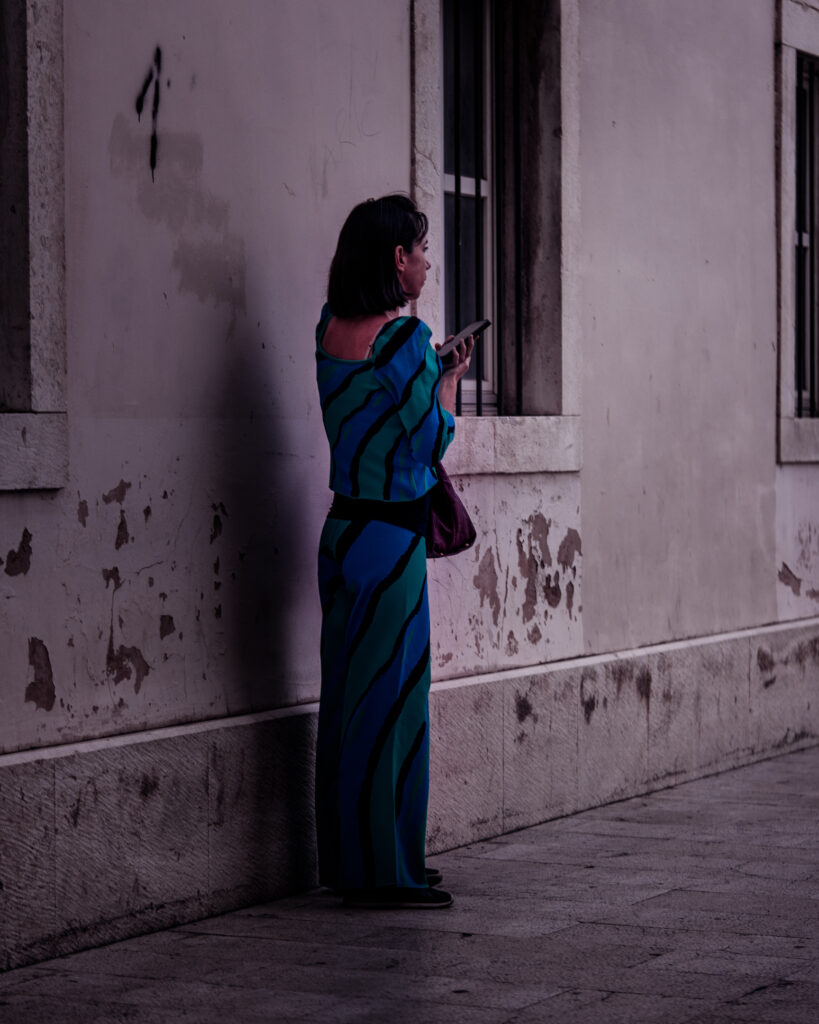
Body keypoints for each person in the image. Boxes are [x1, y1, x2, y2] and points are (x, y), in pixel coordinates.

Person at [314, 194, 473, 909]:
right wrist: (448, 381)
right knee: (395, 701)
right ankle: (387, 872)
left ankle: (356, 860)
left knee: (348, 699)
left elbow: (372, 420)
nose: (428, 262)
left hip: (340, 532)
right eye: (421, 248)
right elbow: (430, 439)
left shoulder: (328, 331)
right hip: (390, 539)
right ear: (396, 260)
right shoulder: (405, 343)